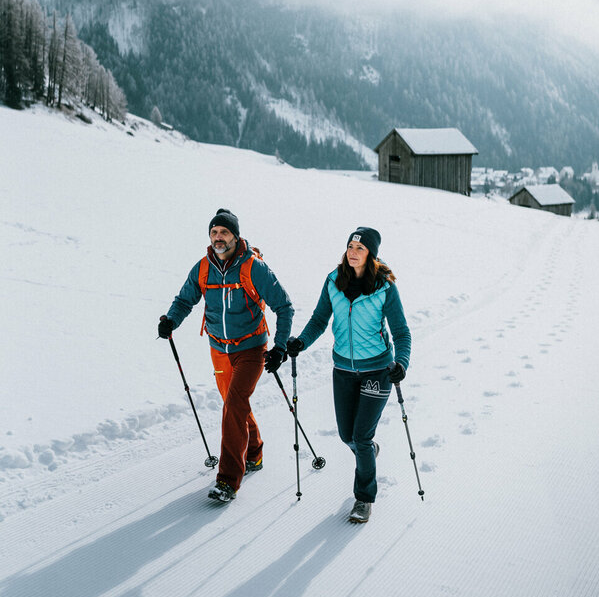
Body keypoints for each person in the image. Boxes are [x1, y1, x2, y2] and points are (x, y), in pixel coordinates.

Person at [158, 208, 293, 503]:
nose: (219, 238)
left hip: (251, 348)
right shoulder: (203, 268)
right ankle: (254, 452)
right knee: (235, 404)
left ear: (236, 236)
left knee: (233, 404)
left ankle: (228, 479)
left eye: (224, 232)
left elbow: (284, 306)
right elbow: (185, 299)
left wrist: (280, 346)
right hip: (219, 348)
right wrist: (171, 320)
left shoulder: (253, 267)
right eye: (214, 233)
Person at [287, 226, 411, 523]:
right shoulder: (333, 281)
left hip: (378, 370)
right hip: (343, 369)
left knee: (361, 436)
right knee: (347, 436)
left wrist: (401, 363)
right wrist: (301, 341)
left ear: (371, 255)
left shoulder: (385, 288)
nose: (353, 252)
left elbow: (401, 332)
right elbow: (319, 319)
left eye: (360, 248)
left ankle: (364, 499)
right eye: (350, 246)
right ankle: (369, 451)